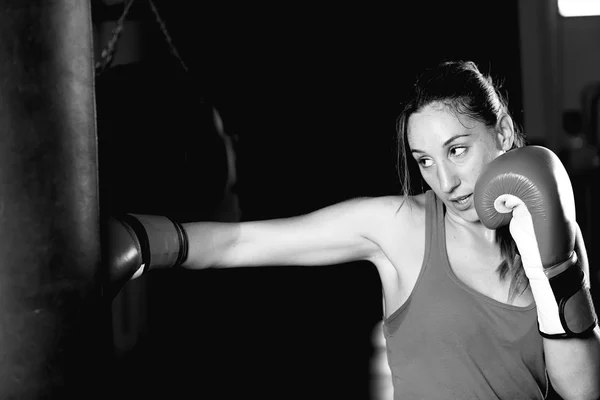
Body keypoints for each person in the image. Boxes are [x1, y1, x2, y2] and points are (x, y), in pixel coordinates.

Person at [109, 60, 600, 399]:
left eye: (456, 150)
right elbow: (247, 240)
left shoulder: (551, 237)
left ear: (505, 135)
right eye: (424, 160)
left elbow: (581, 389)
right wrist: (146, 241)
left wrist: (548, 264)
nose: (444, 181)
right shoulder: (400, 228)